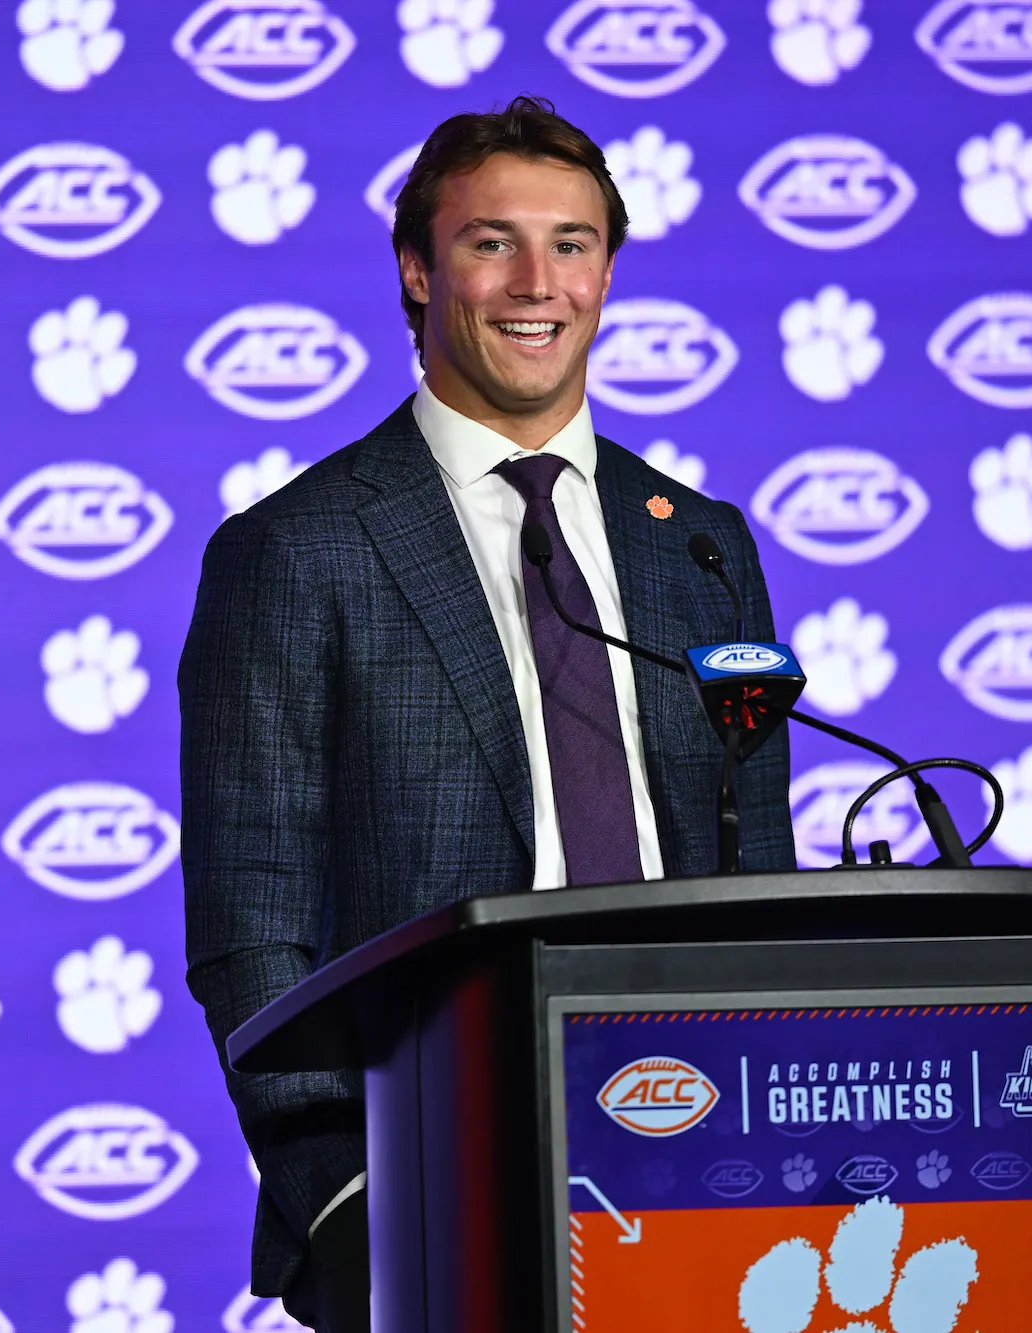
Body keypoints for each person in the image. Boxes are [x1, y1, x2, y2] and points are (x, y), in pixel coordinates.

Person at [179, 95, 795, 1331]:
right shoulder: (296, 549)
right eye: (489, 242)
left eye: (570, 244)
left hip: (710, 1169)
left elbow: (756, 866)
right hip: (432, 1172)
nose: (537, 281)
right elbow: (251, 916)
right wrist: (342, 1192)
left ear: (607, 271)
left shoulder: (704, 549)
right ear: (416, 270)